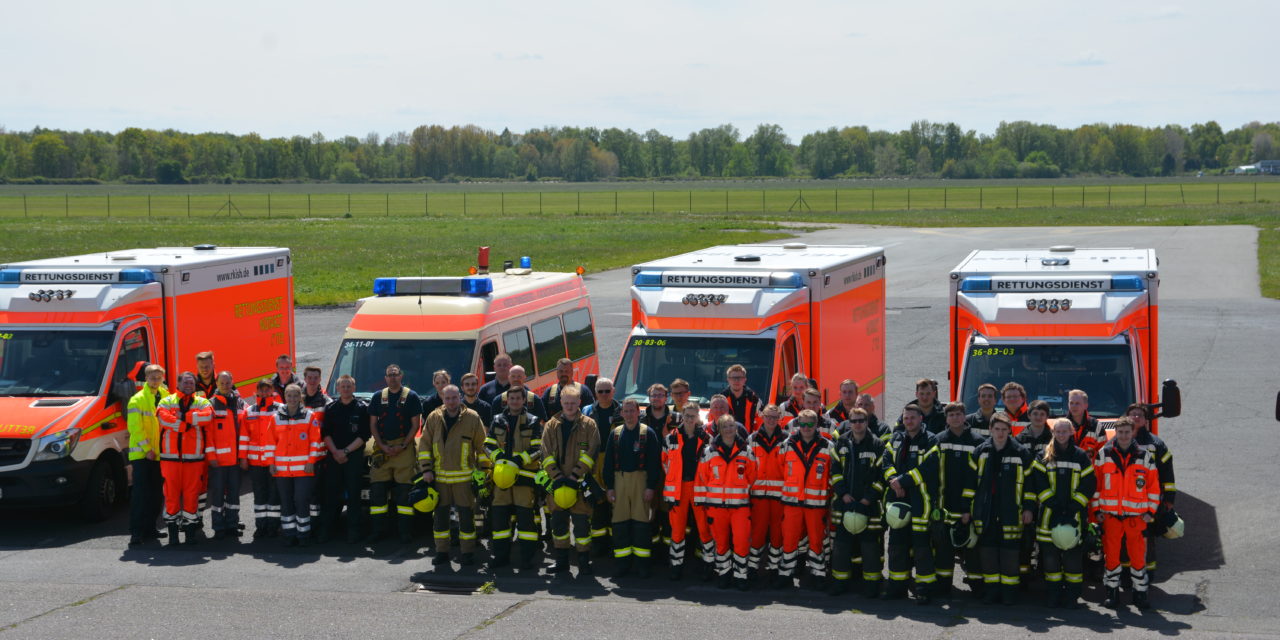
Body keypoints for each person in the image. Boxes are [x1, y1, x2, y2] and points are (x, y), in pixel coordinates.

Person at [1094, 417, 1160, 609]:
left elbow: (1154, 488)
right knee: (1112, 557)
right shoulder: (1103, 454)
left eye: (1127, 432)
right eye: (1120, 432)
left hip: (1137, 519)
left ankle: (1140, 594)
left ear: (1133, 433)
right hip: (1111, 517)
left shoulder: (1145, 456)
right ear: (1115, 432)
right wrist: (1096, 510)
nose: (1123, 436)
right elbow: (1096, 485)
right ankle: (1112, 594)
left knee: (1138, 558)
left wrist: (1151, 512)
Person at [421, 384, 491, 566]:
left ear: (459, 397)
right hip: (440, 479)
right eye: (447, 398)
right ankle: (442, 552)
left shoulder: (472, 417)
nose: (451, 402)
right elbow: (424, 445)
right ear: (442, 398)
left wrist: (484, 472)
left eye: (454, 398)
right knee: (440, 518)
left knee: (466, 518)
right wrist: (426, 469)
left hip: (464, 479)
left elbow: (482, 448)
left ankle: (467, 553)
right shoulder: (434, 417)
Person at [1029, 418, 1096, 609]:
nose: (1060, 435)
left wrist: (1073, 508)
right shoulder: (1043, 455)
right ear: (1053, 433)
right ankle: (1053, 595)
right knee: (1050, 561)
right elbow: (1038, 483)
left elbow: (1089, 485)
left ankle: (1072, 597)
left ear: (1071, 432)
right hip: (1048, 517)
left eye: (1064, 431)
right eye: (1057, 432)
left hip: (1073, 518)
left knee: (1073, 561)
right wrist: (1056, 507)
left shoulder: (1081, 456)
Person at [971, 412, 1034, 605]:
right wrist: (969, 509)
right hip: (986, 510)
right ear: (990, 430)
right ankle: (992, 591)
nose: (1000, 433)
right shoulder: (980, 451)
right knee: (988, 551)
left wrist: (1028, 508)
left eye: (1004, 429)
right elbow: (970, 484)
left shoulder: (1021, 452)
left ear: (1010, 430)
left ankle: (1009, 593)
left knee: (1010, 553)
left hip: (1011, 511)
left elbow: (1030, 485)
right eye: (996, 429)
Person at [882, 403, 941, 603]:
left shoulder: (930, 440)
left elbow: (927, 468)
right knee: (897, 545)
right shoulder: (896, 438)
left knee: (922, 547)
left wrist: (902, 481)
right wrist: (893, 481)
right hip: (897, 500)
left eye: (913, 418)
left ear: (920, 419)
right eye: (906, 418)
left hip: (920, 503)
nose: (909, 421)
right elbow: (886, 461)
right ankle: (897, 587)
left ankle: (924, 589)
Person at [829, 407, 887, 597]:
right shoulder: (842, 443)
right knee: (841, 547)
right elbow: (835, 472)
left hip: (869, 506)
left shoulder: (877, 445)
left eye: (861, 420)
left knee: (870, 548)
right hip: (844, 504)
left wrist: (867, 499)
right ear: (849, 421)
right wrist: (843, 494)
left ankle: (871, 585)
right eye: (854, 421)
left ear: (867, 421)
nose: (857, 424)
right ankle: (839, 583)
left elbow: (882, 477)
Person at [541, 387, 600, 575]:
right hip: (557, 486)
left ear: (579, 403)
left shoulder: (589, 425)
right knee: (558, 524)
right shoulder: (551, 425)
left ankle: (584, 563)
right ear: (561, 402)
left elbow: (592, 452)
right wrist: (556, 476)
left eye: (573, 403)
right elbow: (545, 452)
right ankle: (561, 562)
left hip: (580, 485)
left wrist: (575, 476)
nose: (569, 406)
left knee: (582, 526)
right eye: (566, 403)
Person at [776, 410, 836, 589]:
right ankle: (785, 574)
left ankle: (818, 574)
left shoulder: (828, 446)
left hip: (816, 504)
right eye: (803, 424)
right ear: (798, 425)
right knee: (789, 539)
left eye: (810, 424)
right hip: (792, 502)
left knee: (817, 540)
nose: (806, 428)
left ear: (816, 425)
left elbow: (832, 474)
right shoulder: (787, 445)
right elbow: (781, 471)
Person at [603, 398, 663, 578]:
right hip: (619, 480)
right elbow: (607, 464)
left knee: (641, 525)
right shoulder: (615, 434)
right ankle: (623, 564)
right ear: (621, 413)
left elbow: (654, 463)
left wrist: (651, 487)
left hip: (641, 481)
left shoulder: (648, 433)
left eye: (632, 411)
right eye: (625, 411)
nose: (629, 414)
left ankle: (642, 565)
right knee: (619, 524)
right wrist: (610, 487)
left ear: (639, 412)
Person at [485, 385, 543, 570]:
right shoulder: (497, 420)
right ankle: (501, 557)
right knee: (500, 520)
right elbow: (487, 445)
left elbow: (538, 449)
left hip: (524, 479)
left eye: (518, 398)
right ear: (507, 401)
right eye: (512, 399)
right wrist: (497, 457)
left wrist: (520, 459)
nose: (515, 401)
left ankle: (526, 559)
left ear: (524, 400)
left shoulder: (533, 421)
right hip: (501, 479)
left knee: (526, 520)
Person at [367, 364, 423, 545]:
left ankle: (405, 532)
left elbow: (416, 425)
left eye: (395, 374)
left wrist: (403, 444)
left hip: (403, 448)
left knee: (404, 492)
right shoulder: (377, 397)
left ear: (401, 376)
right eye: (389, 375)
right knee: (377, 492)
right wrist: (382, 446)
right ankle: (378, 531)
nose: (392, 378)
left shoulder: (411, 396)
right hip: (381, 449)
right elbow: (373, 424)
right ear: (385, 378)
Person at [698, 414, 756, 590]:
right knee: (721, 542)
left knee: (741, 541)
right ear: (719, 430)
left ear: (736, 428)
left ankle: (740, 576)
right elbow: (703, 476)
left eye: (732, 426)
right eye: (725, 427)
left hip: (740, 507)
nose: (729, 429)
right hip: (716, 507)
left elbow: (753, 476)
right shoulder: (709, 451)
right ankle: (724, 573)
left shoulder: (747, 451)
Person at [156, 372, 214, 545]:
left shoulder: (202, 401)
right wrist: (185, 425)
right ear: (178, 384)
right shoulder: (167, 400)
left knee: (191, 497)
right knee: (171, 497)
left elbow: (208, 416)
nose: (189, 385)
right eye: (186, 382)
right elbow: (163, 418)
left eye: (191, 382)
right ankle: (173, 534)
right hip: (170, 459)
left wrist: (185, 417)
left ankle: (190, 533)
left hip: (194, 460)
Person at [933, 401, 982, 598]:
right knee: (943, 551)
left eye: (958, 414)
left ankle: (978, 589)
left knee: (972, 550)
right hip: (944, 505)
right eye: (951, 415)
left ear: (964, 416)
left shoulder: (977, 442)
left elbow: (979, 477)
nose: (955, 418)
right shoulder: (938, 440)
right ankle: (943, 588)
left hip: (968, 506)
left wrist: (969, 509)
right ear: (946, 419)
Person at [266, 384, 324, 547]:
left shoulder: (309, 416)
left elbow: (315, 442)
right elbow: (270, 443)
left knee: (301, 500)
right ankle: (289, 534)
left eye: (295, 396)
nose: (292, 399)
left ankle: (303, 534)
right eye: (289, 396)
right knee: (286, 502)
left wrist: (311, 462)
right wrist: (271, 463)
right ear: (285, 397)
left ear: (300, 398)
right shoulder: (275, 417)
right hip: (282, 470)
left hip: (303, 469)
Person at [664, 401, 711, 580]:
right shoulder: (671, 438)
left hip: (699, 488)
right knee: (677, 529)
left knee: (704, 528)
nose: (690, 419)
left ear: (698, 417)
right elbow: (664, 462)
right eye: (687, 415)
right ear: (682, 416)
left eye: (693, 416)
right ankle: (676, 566)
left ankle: (708, 564)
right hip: (678, 489)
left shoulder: (707, 439)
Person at [320, 374, 370, 544]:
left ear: (354, 388)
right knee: (331, 494)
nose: (346, 389)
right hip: (334, 456)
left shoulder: (362, 408)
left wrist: (345, 451)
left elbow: (364, 435)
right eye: (343, 386)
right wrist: (335, 452)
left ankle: (353, 532)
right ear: (338, 388)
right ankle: (326, 530)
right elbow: (325, 433)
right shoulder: (331, 408)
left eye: (349, 386)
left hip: (353, 457)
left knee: (354, 496)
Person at [1128, 402, 1177, 577]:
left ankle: (1147, 573)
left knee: (1146, 537)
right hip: (1124, 500)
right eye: (1132, 414)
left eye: (1139, 415)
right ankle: (1127, 574)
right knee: (1126, 538)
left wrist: (1169, 499)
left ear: (1146, 420)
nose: (1135, 417)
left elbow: (1167, 474)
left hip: (1148, 500)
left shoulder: (1156, 444)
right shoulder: (1121, 440)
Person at [126, 364, 168, 547]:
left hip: (160, 455)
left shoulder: (166, 396)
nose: (156, 381)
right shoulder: (137, 400)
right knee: (140, 495)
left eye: (159, 378)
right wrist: (147, 449)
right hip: (143, 455)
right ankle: (136, 532)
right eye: (152, 378)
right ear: (146, 378)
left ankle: (151, 528)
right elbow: (135, 428)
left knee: (156, 494)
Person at [583, 377, 624, 554]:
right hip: (594, 461)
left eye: (608, 391)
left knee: (616, 501)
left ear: (614, 391)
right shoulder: (587, 411)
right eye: (601, 391)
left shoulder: (622, 411)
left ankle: (617, 544)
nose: (604, 394)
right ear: (595, 393)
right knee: (598, 501)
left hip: (616, 460)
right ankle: (599, 545)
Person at [1015, 399, 1054, 582]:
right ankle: (1024, 575)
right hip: (1025, 493)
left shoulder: (1053, 439)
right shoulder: (1019, 440)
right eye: (1035, 414)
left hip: (1048, 493)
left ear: (1047, 416)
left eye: (1042, 414)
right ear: (1029, 415)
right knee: (1025, 537)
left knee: (1046, 539)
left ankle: (1042, 573)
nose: (1038, 417)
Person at [748, 404, 788, 579]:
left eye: (774, 417)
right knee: (757, 533)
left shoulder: (787, 440)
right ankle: (753, 567)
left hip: (779, 496)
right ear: (762, 417)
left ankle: (773, 568)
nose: (771, 420)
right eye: (768, 416)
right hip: (758, 496)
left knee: (777, 534)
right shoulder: (752, 439)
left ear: (780, 418)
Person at [206, 371, 246, 540]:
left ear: (232, 383)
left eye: (227, 383)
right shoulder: (211, 404)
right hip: (219, 461)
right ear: (217, 384)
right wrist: (212, 457)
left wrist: (243, 456)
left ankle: (232, 524)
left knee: (234, 495)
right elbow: (207, 433)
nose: (225, 386)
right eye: (222, 383)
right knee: (217, 495)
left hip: (235, 459)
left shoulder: (239, 402)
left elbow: (244, 430)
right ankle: (218, 526)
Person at [245, 380, 283, 538]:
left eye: (268, 390)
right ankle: (261, 526)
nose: (265, 392)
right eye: (262, 390)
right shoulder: (250, 411)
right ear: (257, 392)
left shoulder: (281, 410)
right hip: (256, 462)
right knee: (259, 495)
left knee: (274, 494)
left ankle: (273, 526)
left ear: (272, 391)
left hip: (274, 461)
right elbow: (244, 437)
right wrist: (243, 458)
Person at [720, 364, 760, 430]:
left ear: (745, 380)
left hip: (747, 438)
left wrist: (754, 437)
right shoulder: (721, 399)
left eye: (739, 378)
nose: (736, 381)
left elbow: (762, 420)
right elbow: (713, 421)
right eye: (733, 378)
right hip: (726, 438)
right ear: (728, 380)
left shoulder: (753, 398)